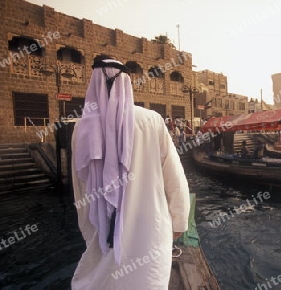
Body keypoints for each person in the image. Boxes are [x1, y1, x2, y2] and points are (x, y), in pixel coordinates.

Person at [71, 58, 190, 290]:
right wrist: (179, 219)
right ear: (127, 82)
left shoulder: (80, 127)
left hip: (104, 224)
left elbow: (79, 186)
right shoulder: (151, 120)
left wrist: (88, 223)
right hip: (150, 222)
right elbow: (174, 176)